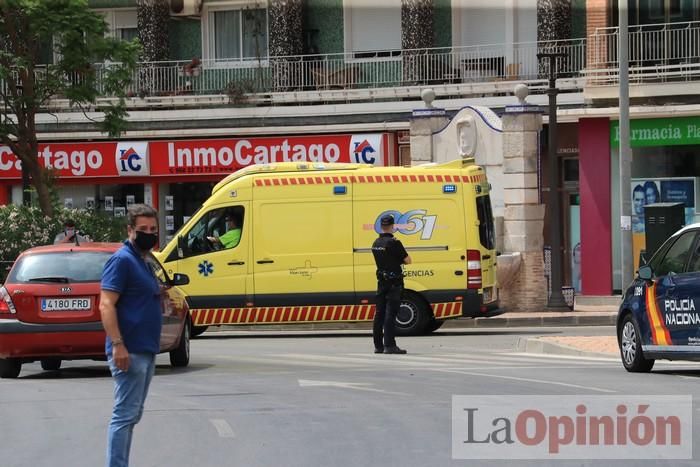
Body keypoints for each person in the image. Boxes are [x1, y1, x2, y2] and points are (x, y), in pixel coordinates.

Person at [100, 204, 161, 467]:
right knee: (124, 415)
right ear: (129, 230)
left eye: (153, 229)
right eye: (143, 230)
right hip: (130, 350)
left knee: (132, 415)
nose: (149, 234)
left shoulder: (143, 260)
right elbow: (106, 304)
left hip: (145, 349)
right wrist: (117, 344)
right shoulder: (122, 260)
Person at [371, 214, 411, 355]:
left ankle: (378, 345)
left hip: (381, 282)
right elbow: (408, 260)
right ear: (393, 226)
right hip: (394, 283)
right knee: (390, 314)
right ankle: (390, 345)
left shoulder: (375, 243)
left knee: (379, 313)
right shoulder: (394, 243)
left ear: (381, 226)